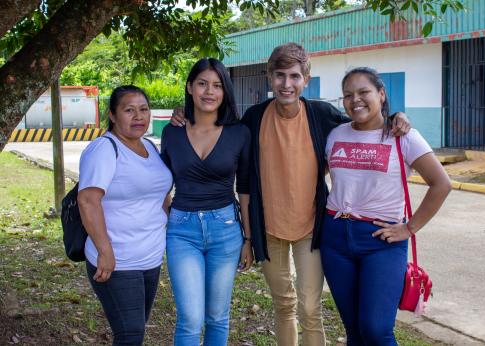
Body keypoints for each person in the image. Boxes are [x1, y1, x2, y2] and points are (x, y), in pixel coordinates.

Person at [171, 43, 410, 346]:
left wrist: (395, 115)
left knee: (310, 308)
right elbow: (241, 179)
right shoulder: (254, 119)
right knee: (283, 305)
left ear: (306, 79)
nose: (287, 84)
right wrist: (183, 113)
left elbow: (362, 120)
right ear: (270, 77)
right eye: (280, 75)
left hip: (311, 228)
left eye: (295, 76)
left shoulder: (321, 114)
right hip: (269, 229)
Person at [321, 67, 452, 345]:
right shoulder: (335, 135)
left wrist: (410, 228)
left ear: (381, 94)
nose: (355, 99)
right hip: (335, 239)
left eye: (363, 92)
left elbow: (441, 184)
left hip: (381, 241)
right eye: (348, 95)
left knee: (376, 329)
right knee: (354, 329)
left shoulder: (403, 136)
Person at [160, 58, 253, 346]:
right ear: (190, 87)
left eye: (217, 85)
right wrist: (167, 214)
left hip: (225, 229)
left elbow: (246, 189)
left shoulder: (239, 132)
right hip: (182, 231)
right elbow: (161, 183)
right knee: (189, 319)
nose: (209, 91)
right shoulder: (171, 132)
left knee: (217, 316)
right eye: (202, 83)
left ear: (225, 91)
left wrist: (247, 239)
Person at [77, 85, 173, 345]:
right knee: (130, 335)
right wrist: (105, 251)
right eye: (129, 110)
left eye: (143, 110)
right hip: (117, 261)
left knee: (135, 331)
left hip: (149, 259)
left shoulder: (150, 147)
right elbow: (87, 200)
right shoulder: (105, 149)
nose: (138, 116)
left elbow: (160, 194)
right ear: (112, 115)